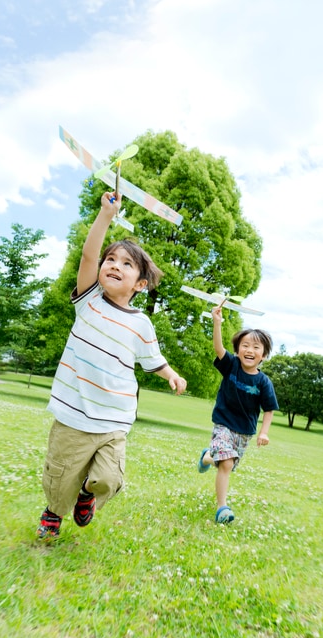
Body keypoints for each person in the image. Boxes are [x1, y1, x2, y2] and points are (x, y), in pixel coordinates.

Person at [37, 191, 187, 539]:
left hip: (114, 419)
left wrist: (172, 374)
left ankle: (87, 495)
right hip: (73, 414)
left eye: (126, 263)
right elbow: (89, 253)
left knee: (108, 478)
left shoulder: (140, 324)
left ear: (140, 284)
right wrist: (106, 214)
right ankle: (54, 513)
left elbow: (153, 359)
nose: (114, 265)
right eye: (111, 260)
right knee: (60, 477)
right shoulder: (89, 300)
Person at [198, 305, 278, 524]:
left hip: (244, 433)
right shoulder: (231, 366)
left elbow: (269, 409)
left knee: (226, 462)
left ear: (264, 354)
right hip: (223, 424)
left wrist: (265, 432)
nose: (249, 350)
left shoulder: (263, 382)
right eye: (245, 345)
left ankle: (207, 456)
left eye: (255, 347)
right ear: (238, 350)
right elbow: (218, 349)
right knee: (225, 463)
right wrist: (217, 323)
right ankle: (222, 508)